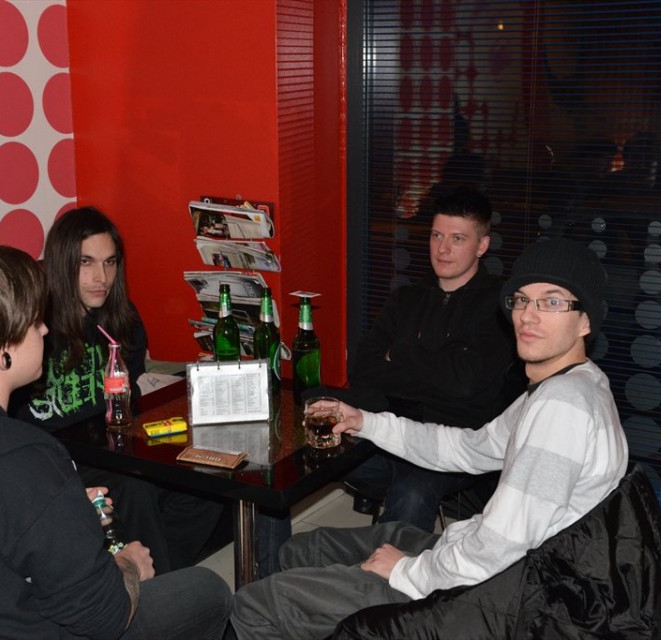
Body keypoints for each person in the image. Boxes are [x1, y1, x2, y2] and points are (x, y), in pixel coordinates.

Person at [229, 238, 628, 639]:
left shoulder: (564, 408)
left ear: (586, 321)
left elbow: (499, 548)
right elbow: (468, 448)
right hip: (486, 564)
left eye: (552, 302)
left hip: (490, 598)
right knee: (304, 550)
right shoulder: (569, 385)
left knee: (255, 604)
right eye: (522, 300)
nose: (528, 315)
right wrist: (364, 422)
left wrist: (406, 569)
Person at [0, 245, 231, 639]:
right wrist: (130, 565)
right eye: (34, 321)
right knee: (205, 590)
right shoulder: (22, 454)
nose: (44, 330)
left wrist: (62, 511)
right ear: (0, 348)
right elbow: (104, 617)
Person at [11, 207, 224, 573]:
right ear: (62, 264)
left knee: (206, 476)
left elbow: (132, 393)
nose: (101, 278)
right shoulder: (34, 330)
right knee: (134, 489)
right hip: (54, 460)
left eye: (109, 263)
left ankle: (155, 578)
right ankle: (161, 589)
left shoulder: (120, 318)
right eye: (86, 263)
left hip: (114, 447)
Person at [339, 185, 525, 532]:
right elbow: (364, 369)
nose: (442, 248)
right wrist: (438, 371)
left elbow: (466, 384)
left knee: (411, 492)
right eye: (437, 235)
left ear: (482, 245)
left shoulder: (498, 308)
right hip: (387, 430)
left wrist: (400, 353)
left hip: (453, 444)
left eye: (458, 239)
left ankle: (393, 567)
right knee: (312, 459)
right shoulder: (407, 298)